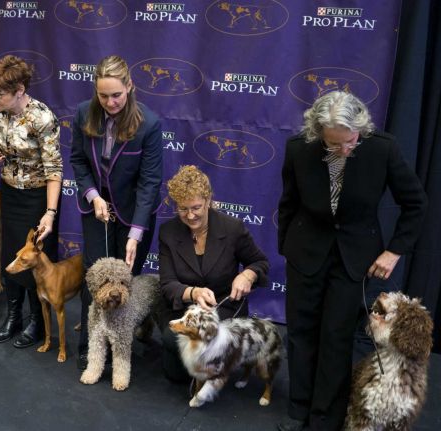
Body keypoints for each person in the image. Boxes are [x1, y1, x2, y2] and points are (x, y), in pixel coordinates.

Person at [277, 91, 427, 431]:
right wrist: (286, 245)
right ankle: (299, 410)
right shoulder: (299, 148)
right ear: (318, 133)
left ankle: (324, 418)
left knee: (336, 336)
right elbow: (288, 202)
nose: (345, 150)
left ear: (361, 129)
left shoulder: (382, 148)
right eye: (335, 144)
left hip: (355, 257)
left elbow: (416, 203)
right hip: (306, 251)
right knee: (301, 333)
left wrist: (393, 251)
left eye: (351, 142)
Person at [70, 55, 162, 370]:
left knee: (125, 284)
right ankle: (90, 346)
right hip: (96, 207)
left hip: (134, 213)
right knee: (94, 280)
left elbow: (150, 182)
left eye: (116, 95)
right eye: (103, 95)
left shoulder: (149, 124)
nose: (110, 102)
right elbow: (78, 161)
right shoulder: (83, 113)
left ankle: (121, 347)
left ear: (130, 87)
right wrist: (93, 195)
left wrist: (136, 234)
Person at [157, 165, 269, 382]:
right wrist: (194, 292)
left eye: (196, 207)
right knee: (175, 372)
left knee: (207, 352)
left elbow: (260, 262)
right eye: (183, 209)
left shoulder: (232, 228)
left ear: (208, 200)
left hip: (223, 305)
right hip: (183, 309)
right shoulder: (168, 232)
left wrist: (247, 275)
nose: (190, 215)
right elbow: (168, 284)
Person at [0, 55, 62, 348]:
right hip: (10, 192)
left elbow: (55, 171)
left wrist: (50, 213)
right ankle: (14, 315)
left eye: (0, 93)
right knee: (11, 258)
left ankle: (39, 323)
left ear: (20, 89)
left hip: (39, 197)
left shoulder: (42, 118)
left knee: (36, 260)